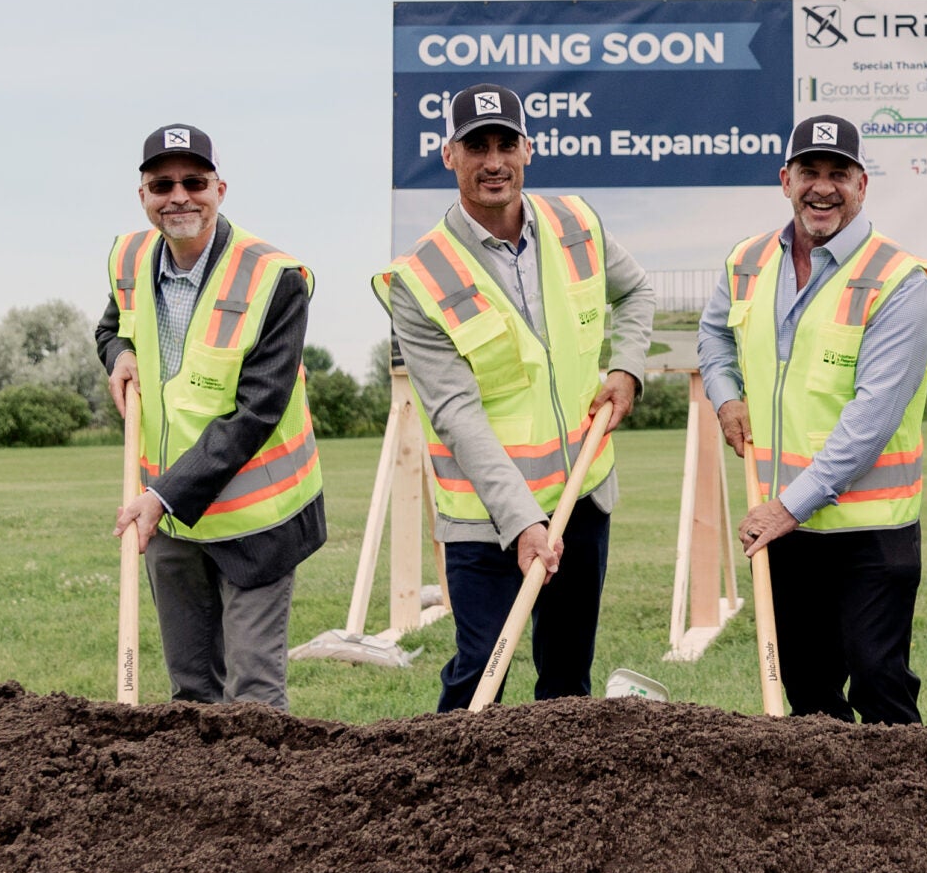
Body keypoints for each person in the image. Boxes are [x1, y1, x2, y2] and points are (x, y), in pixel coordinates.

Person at [374, 85, 651, 710]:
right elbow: (454, 413)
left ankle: (556, 806)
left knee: (567, 681)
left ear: (529, 149)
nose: (493, 161)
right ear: (449, 155)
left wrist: (627, 368)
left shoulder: (576, 225)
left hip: (580, 495)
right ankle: (450, 796)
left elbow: (636, 295)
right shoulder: (419, 278)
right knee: (481, 670)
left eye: (506, 144)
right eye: (477, 146)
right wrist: (522, 519)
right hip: (482, 513)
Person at [699, 115, 927, 723]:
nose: (823, 187)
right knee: (807, 689)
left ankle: (910, 806)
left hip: (869, 530)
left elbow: (873, 415)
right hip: (787, 529)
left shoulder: (901, 281)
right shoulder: (747, 261)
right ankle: (829, 817)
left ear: (863, 186)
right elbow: (713, 335)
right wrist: (726, 394)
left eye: (840, 174)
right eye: (810, 171)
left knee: (878, 679)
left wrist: (787, 508)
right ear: (786, 179)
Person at [102, 124, 325, 710]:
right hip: (174, 522)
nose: (179, 196)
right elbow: (111, 326)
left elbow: (258, 411)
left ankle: (265, 801)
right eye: (162, 184)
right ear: (143, 195)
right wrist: (117, 354)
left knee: (252, 697)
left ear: (220, 189)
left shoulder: (275, 279)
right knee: (192, 694)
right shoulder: (129, 258)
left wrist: (162, 496)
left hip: (257, 519)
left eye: (194, 182)